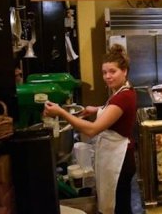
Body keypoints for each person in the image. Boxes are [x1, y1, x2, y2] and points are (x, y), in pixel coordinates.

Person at [44, 44, 137, 214]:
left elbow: (92, 130)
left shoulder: (123, 97)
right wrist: (97, 109)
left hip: (120, 161)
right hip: (117, 156)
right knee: (120, 205)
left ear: (124, 71)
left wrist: (61, 113)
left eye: (112, 71)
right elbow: (114, 111)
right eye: (104, 72)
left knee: (120, 208)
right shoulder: (122, 91)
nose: (107, 76)